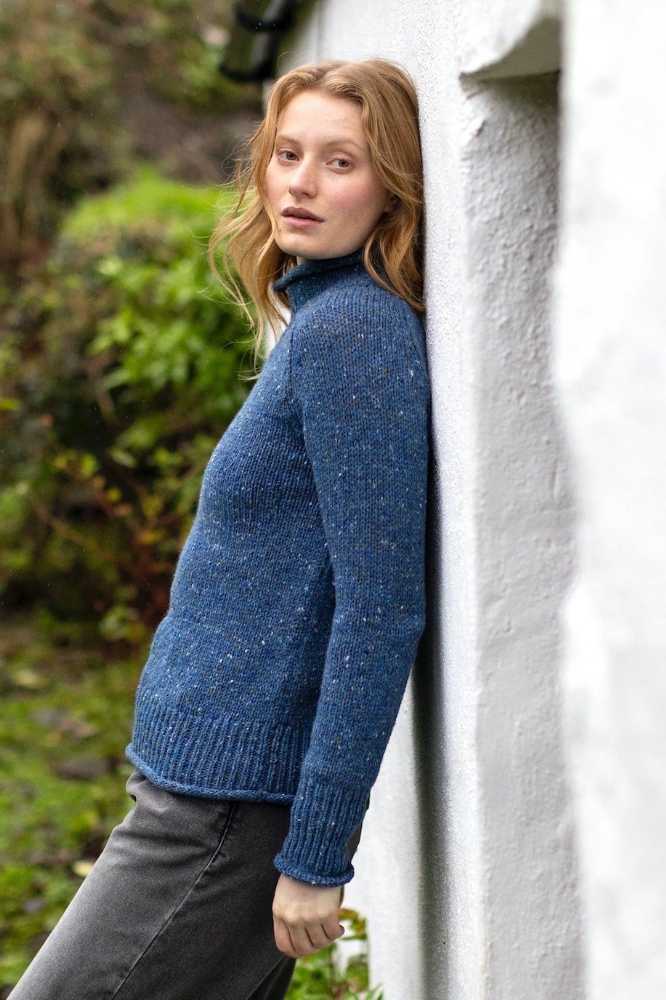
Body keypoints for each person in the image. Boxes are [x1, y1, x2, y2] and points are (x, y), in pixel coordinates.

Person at [8, 56, 430, 1000]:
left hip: (226, 814)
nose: (300, 183)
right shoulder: (322, 318)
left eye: (340, 162)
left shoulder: (353, 335)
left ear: (394, 189)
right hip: (199, 791)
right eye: (287, 153)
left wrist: (317, 853)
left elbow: (382, 609)